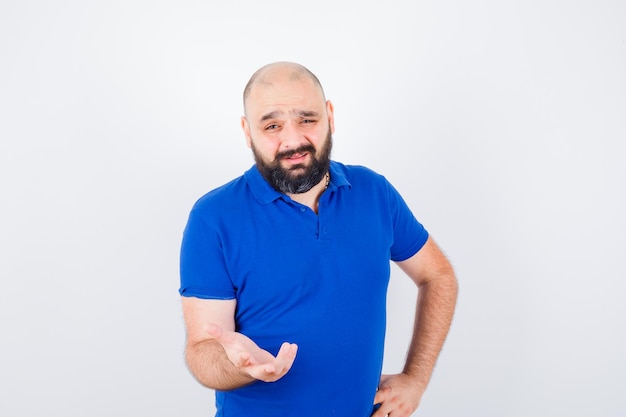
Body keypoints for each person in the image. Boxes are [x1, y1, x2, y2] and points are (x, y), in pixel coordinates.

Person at [179, 61, 458, 417]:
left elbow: (437, 276)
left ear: (329, 115)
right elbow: (203, 349)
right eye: (273, 125)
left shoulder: (374, 193)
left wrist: (415, 380)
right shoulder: (213, 217)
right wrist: (237, 365)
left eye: (306, 119)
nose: (293, 140)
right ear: (248, 132)